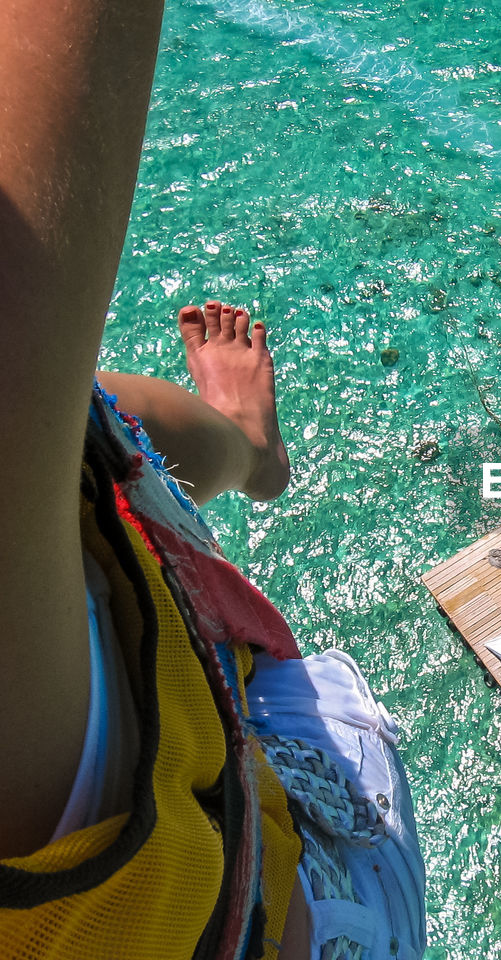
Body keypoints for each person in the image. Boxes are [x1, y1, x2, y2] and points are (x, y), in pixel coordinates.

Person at [0, 2, 423, 958]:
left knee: (85, 439)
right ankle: (246, 449)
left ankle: (243, 444)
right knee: (59, 433)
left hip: (212, 800)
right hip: (299, 910)